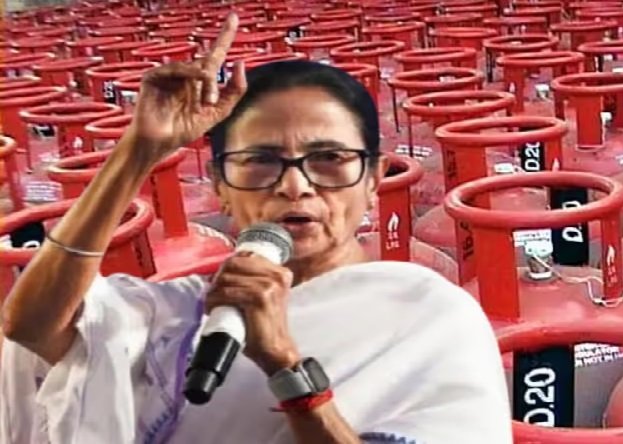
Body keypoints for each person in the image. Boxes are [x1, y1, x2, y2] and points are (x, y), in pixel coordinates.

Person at [0, 14, 511, 444]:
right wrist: (139, 150)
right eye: (260, 161)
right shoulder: (180, 315)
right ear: (220, 187)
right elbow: (32, 328)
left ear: (373, 181)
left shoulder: (429, 317)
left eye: (330, 159)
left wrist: (286, 366)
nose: (295, 185)